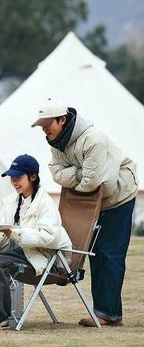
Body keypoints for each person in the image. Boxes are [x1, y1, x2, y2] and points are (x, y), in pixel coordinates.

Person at [32, 98, 138, 327]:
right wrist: (81, 174)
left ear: (62, 120)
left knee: (110, 254)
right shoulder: (56, 142)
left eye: (47, 124)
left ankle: (109, 314)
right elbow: (55, 173)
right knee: (95, 254)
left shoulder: (93, 140)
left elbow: (93, 183)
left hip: (118, 198)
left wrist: (76, 176)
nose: (43, 129)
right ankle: (104, 312)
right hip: (92, 201)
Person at [0, 154, 71, 330]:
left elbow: (47, 237)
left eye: (18, 177)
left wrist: (14, 233)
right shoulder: (10, 202)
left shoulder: (46, 203)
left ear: (32, 177)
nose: (14, 181)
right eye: (11, 178)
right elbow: (2, 239)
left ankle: (0, 317)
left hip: (40, 256)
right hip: (16, 252)